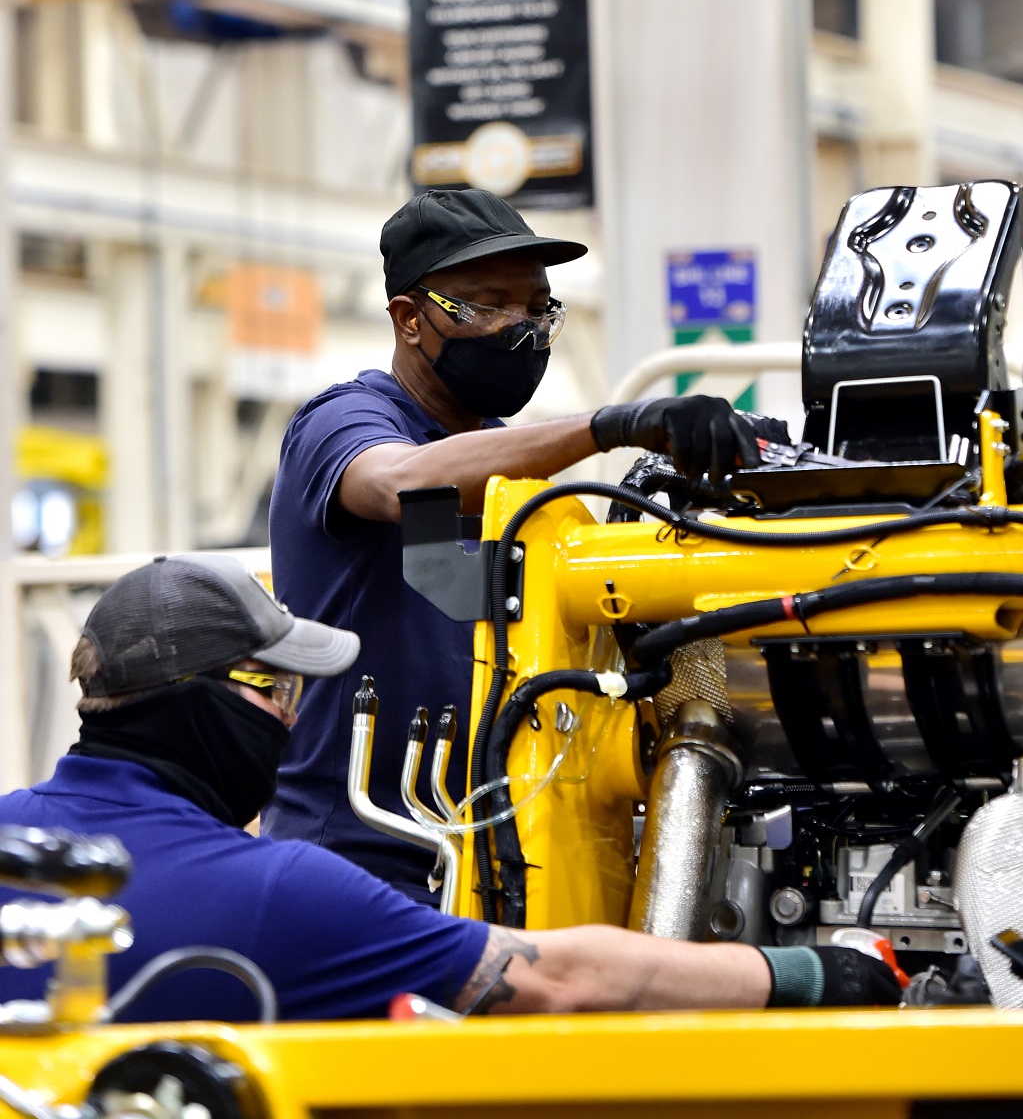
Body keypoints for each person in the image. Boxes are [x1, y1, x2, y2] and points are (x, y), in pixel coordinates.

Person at [0, 558, 898, 1022]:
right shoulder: (284, 894)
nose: (290, 717)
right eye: (278, 691)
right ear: (211, 705)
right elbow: (560, 982)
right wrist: (812, 970)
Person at [264, 187, 777, 899]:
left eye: (538, 308)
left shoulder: (512, 466)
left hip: (488, 849)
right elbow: (404, 484)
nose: (522, 328)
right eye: (488, 305)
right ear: (411, 320)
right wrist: (610, 425)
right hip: (355, 855)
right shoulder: (345, 420)